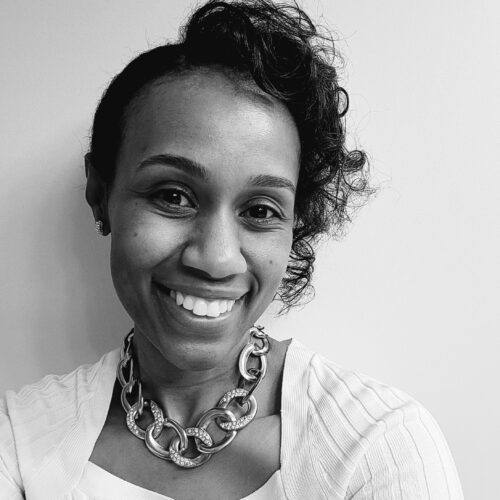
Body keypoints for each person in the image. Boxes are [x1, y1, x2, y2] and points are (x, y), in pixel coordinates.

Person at [0, 1, 463, 498]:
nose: (216, 258)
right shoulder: (22, 442)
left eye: (261, 210)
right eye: (172, 196)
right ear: (100, 194)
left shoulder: (378, 449)